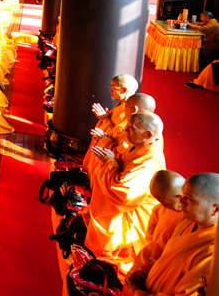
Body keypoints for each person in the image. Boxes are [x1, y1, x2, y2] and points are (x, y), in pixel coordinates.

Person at [85, 112, 167, 267]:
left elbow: (124, 195)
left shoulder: (148, 162)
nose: (125, 131)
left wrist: (110, 163)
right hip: (124, 197)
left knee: (106, 214)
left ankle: (106, 252)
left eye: (130, 129)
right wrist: (108, 145)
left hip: (131, 212)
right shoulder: (143, 141)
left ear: (148, 134)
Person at [125, 173, 218, 296]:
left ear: (215, 209)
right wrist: (138, 273)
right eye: (182, 197)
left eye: (188, 199)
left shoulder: (213, 252)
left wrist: (139, 292)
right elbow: (158, 252)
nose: (181, 203)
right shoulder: (187, 223)